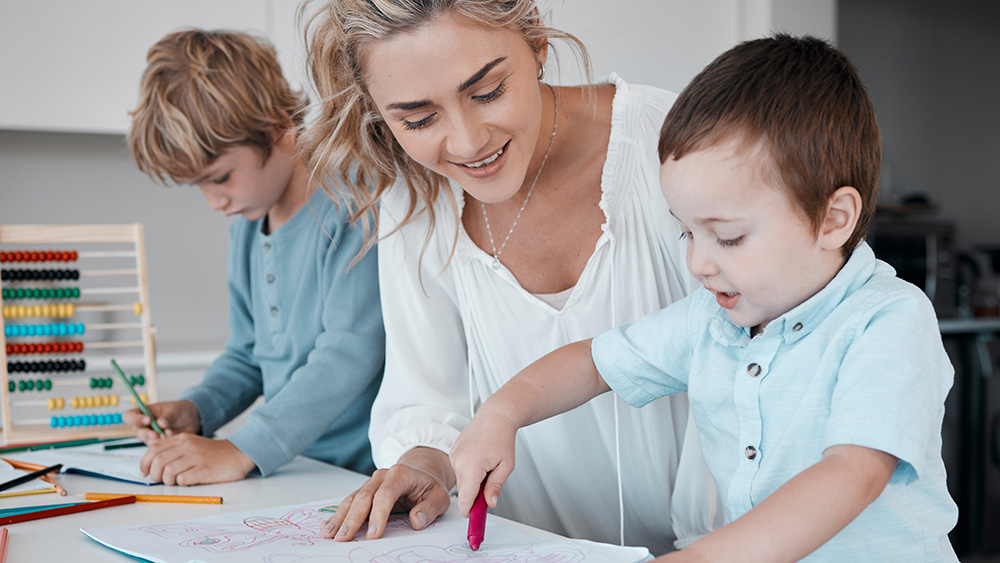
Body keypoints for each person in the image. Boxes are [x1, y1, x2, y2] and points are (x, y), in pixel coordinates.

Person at [451, 34, 960, 562]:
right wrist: (501, 414)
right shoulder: (712, 321)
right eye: (686, 233)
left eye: (729, 237)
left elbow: (851, 475)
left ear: (833, 220)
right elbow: (594, 363)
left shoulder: (888, 321)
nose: (697, 264)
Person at [298, 0, 720, 554]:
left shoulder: (668, 142)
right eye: (419, 119)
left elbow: (752, 364)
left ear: (538, 45)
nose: (469, 142)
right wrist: (424, 463)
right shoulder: (415, 201)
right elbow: (428, 394)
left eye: (488, 91)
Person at [124, 29, 385, 486]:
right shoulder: (247, 230)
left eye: (220, 178)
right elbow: (247, 356)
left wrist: (242, 449)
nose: (214, 202)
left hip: (362, 477)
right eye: (199, 186)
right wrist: (198, 408)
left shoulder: (354, 204)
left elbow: (350, 351)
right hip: (294, 471)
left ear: (277, 129)